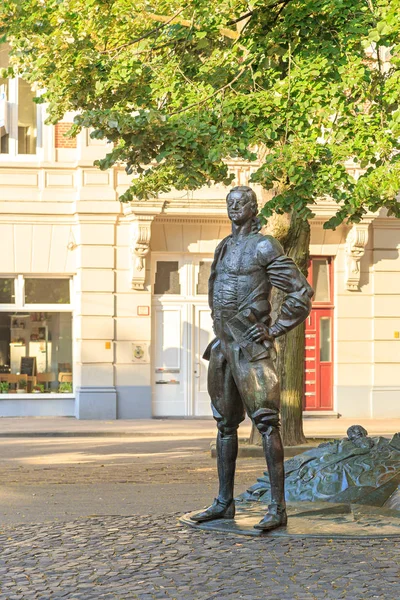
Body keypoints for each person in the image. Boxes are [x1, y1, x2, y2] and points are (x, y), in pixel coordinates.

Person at [191, 185, 314, 531]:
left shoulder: (265, 245)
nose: (234, 207)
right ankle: (223, 502)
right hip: (223, 345)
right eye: (229, 202)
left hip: (251, 346)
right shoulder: (224, 247)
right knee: (225, 425)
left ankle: (278, 508)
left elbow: (301, 292)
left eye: (240, 202)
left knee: (266, 423)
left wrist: (274, 329)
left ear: (253, 207)